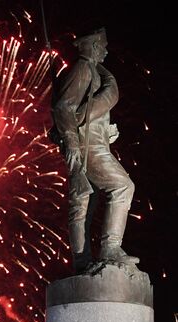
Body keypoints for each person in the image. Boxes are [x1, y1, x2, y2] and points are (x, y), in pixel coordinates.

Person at [51, 27, 139, 273]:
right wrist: (72, 147)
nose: (106, 50)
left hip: (94, 142)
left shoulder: (92, 71)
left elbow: (85, 114)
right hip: (87, 146)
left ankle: (82, 262)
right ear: (93, 47)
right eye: (103, 46)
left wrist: (107, 133)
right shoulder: (82, 69)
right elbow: (63, 109)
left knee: (84, 202)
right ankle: (110, 248)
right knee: (122, 186)